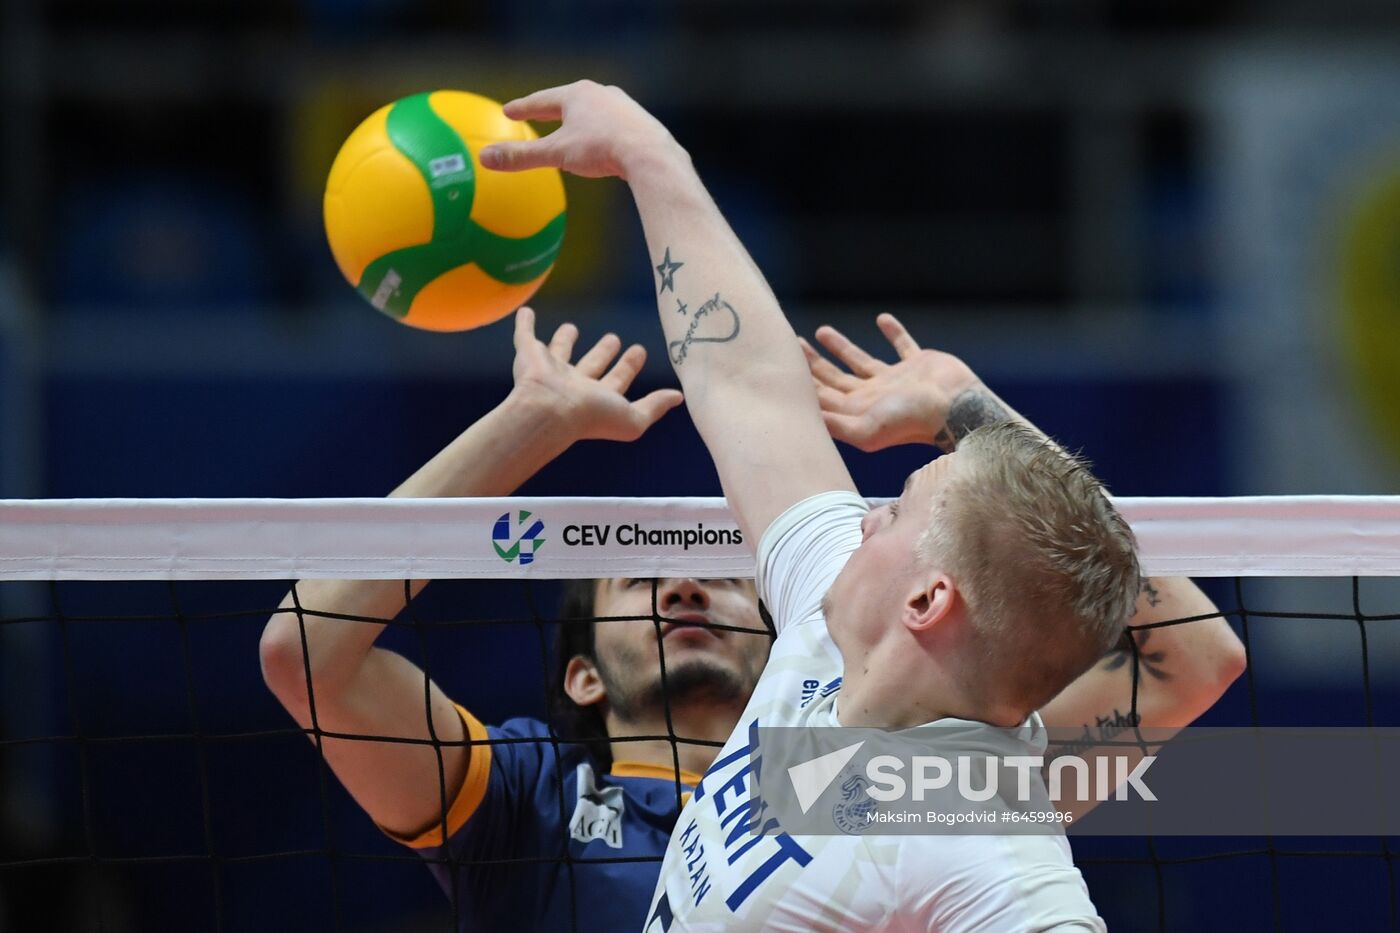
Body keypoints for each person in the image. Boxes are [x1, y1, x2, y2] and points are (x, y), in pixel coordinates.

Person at [479, 81, 1245, 931]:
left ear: (926, 599)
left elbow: (1197, 659)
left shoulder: (976, 831)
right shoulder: (827, 627)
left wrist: (972, 420)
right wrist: (648, 155)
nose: (866, 514)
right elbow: (747, 384)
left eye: (899, 506)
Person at [258, 309, 773, 933]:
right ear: (584, 677)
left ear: (782, 651)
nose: (686, 587)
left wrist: (934, 424)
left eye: (722, 578)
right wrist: (533, 421)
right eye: (640, 581)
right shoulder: (530, 795)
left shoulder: (843, 780)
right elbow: (307, 653)